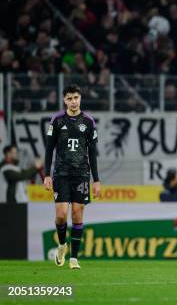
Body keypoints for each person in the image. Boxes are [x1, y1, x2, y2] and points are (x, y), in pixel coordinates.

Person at [44, 84, 101, 270]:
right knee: (61, 216)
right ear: (64, 100)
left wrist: (96, 180)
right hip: (61, 173)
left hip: (81, 174)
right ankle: (62, 245)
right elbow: (49, 149)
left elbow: (92, 153)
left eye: (76, 97)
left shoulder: (89, 121)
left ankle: (74, 259)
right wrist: (46, 174)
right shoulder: (57, 120)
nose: (73, 101)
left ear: (80, 98)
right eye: (69, 98)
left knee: (77, 215)